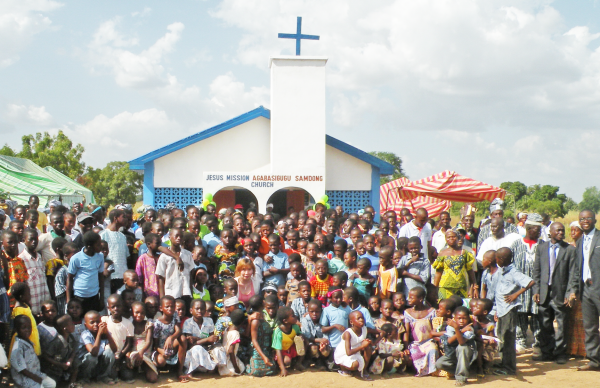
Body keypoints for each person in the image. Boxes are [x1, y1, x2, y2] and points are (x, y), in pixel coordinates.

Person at [532, 222, 577, 364]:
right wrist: (536, 290)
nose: (561, 233)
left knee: (562, 324)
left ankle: (560, 353)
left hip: (560, 293)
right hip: (544, 293)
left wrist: (570, 292)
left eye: (562, 230)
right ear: (550, 232)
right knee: (545, 323)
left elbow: (573, 274)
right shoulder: (541, 248)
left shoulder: (569, 249)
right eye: (558, 230)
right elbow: (536, 271)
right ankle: (547, 351)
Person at [493, 247, 534, 376]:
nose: (496, 261)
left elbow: (530, 282)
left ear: (501, 259)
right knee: (502, 337)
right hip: (501, 309)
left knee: (509, 339)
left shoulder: (513, 272)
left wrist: (516, 294)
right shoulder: (502, 271)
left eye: (497, 258)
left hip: (509, 309)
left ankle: (509, 368)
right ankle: (504, 362)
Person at [511, 213, 543, 354]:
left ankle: (538, 343)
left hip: (538, 287)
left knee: (537, 315)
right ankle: (520, 341)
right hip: (520, 287)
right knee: (520, 314)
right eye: (537, 229)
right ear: (529, 228)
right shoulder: (516, 244)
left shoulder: (543, 245)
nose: (540, 232)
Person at [573, 210, 600, 371]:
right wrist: (574, 290)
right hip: (586, 289)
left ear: (594, 220)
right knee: (590, 327)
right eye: (582, 219)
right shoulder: (580, 242)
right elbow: (577, 268)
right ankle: (595, 361)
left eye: (588, 218)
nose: (584, 221)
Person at [435, 306, 477, 387]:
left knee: (462, 347)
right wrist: (459, 329)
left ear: (468, 318)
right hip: (453, 354)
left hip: (466, 354)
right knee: (439, 364)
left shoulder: (469, 329)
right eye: (459, 318)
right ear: (454, 318)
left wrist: (457, 329)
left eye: (464, 318)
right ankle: (463, 370)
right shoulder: (451, 327)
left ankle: (461, 378)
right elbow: (449, 341)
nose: (461, 321)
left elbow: (461, 342)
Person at [10, 315, 56, 388]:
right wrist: (36, 378)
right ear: (16, 329)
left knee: (52, 384)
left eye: (29, 327)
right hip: (24, 379)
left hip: (35, 373)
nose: (27, 330)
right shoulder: (18, 347)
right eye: (23, 328)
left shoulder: (28, 342)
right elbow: (22, 370)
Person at [182, 299, 223, 377]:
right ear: (191, 310)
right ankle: (191, 370)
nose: (199, 311)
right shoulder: (188, 322)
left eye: (202, 309)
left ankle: (210, 368)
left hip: (206, 350)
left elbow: (212, 340)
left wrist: (197, 339)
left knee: (219, 348)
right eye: (197, 309)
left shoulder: (209, 321)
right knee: (197, 348)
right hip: (192, 353)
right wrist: (206, 339)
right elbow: (191, 344)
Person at [433, 229, 477, 300]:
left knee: (460, 308)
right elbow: (438, 272)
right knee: (445, 307)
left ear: (458, 238)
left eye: (453, 237)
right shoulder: (442, 253)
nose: (451, 239)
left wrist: (474, 286)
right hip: (445, 287)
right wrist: (435, 288)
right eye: (448, 237)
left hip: (461, 286)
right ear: (446, 239)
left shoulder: (464, 253)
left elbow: (470, 270)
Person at [403, 287, 438, 376]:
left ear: (420, 299)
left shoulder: (431, 311)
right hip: (415, 343)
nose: (408, 299)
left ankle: (431, 370)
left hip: (428, 341)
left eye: (411, 297)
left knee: (432, 350)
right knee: (415, 355)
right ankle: (421, 370)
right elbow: (406, 332)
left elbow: (434, 328)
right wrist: (406, 347)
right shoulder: (407, 312)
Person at [66, 231, 104, 312]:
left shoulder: (100, 257)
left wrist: (101, 299)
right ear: (89, 246)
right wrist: (69, 301)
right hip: (79, 296)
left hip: (94, 296)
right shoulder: (76, 258)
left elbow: (101, 277)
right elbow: (69, 278)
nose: (101, 246)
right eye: (98, 245)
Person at [77, 310, 117, 385]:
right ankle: (85, 378)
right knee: (91, 357)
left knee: (109, 352)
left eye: (98, 322)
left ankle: (103, 376)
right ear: (85, 325)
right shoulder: (85, 335)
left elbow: (115, 349)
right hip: (85, 366)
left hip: (98, 364)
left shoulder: (104, 333)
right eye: (92, 322)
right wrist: (99, 334)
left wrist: (107, 333)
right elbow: (94, 353)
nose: (95, 324)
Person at [566, 221, 586, 358]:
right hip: (571, 287)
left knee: (582, 320)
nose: (573, 233)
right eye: (571, 230)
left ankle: (583, 350)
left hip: (583, 288)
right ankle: (572, 350)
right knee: (571, 320)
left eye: (576, 230)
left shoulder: (586, 247)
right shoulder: (569, 247)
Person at [334, 311, 373, 380]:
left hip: (356, 351)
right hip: (344, 353)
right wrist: (362, 346)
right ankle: (343, 368)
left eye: (362, 318)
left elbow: (382, 332)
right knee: (355, 365)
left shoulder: (364, 329)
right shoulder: (348, 333)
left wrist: (373, 343)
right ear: (351, 322)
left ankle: (363, 371)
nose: (361, 320)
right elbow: (348, 353)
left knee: (368, 347)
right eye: (358, 318)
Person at [19, 229, 50, 315]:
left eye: (36, 239)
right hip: (31, 308)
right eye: (30, 239)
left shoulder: (39, 257)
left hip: (43, 308)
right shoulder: (21, 260)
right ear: (24, 240)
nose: (34, 242)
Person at [246, 295, 277, 377]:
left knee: (272, 370)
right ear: (263, 303)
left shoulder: (262, 315)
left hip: (266, 349)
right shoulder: (255, 321)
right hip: (259, 351)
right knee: (256, 371)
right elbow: (254, 340)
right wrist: (264, 357)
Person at [100, 209, 129, 294]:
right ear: (116, 218)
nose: (126, 219)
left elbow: (126, 256)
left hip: (123, 276)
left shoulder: (122, 236)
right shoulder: (103, 234)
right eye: (123, 217)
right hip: (110, 276)